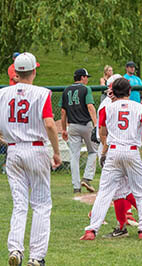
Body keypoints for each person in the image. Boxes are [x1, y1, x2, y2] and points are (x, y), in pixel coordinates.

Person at [80, 78, 142, 241]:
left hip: (113, 151)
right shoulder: (138, 107)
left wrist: (104, 152)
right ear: (130, 92)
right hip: (131, 151)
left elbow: (103, 132)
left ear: (113, 92)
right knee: (141, 193)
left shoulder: (107, 108)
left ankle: (91, 230)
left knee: (104, 193)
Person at [0, 52, 61, 266]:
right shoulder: (42, 93)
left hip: (14, 150)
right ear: (34, 71)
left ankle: (15, 249)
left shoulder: (3, 93)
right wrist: (56, 151)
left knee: (19, 204)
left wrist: (6, 138)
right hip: (36, 149)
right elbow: (50, 124)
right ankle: (36, 257)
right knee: (42, 204)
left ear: (16, 72)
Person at [60, 68, 97, 193]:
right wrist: (96, 124)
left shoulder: (66, 90)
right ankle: (86, 178)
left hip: (72, 126)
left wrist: (64, 129)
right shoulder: (86, 89)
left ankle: (76, 187)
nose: (87, 79)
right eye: (86, 77)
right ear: (82, 77)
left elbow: (63, 111)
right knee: (93, 151)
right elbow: (90, 107)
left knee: (74, 156)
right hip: (86, 124)